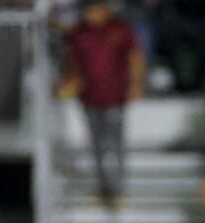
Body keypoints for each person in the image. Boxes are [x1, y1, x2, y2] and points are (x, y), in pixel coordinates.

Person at [62, 0, 145, 207]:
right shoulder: (79, 32)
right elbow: (72, 60)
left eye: (94, 10)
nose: (90, 15)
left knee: (115, 143)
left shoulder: (120, 29)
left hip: (115, 95)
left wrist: (136, 84)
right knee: (97, 145)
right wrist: (74, 79)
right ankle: (104, 188)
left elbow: (135, 57)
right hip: (90, 97)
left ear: (105, 9)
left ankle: (117, 189)